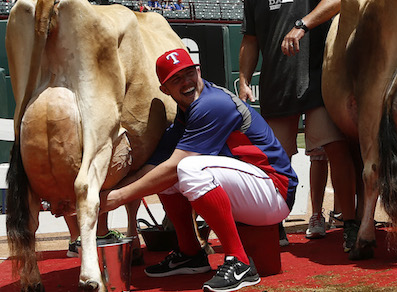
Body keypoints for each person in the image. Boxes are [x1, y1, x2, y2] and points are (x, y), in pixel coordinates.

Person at [102, 48, 298, 291]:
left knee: (189, 169)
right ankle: (190, 253)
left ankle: (240, 262)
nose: (186, 82)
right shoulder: (186, 114)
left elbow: (175, 167)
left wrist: (118, 197)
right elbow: (155, 169)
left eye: (189, 73)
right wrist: (100, 199)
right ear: (165, 90)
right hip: (251, 187)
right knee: (167, 175)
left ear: (198, 71)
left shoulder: (212, 104)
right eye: (176, 79)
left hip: (273, 190)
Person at [239, 0, 358, 251]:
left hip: (319, 81)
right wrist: (243, 79)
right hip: (277, 85)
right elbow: (250, 40)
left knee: (336, 151)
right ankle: (274, 223)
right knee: (273, 162)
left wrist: (302, 24)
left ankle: (350, 224)